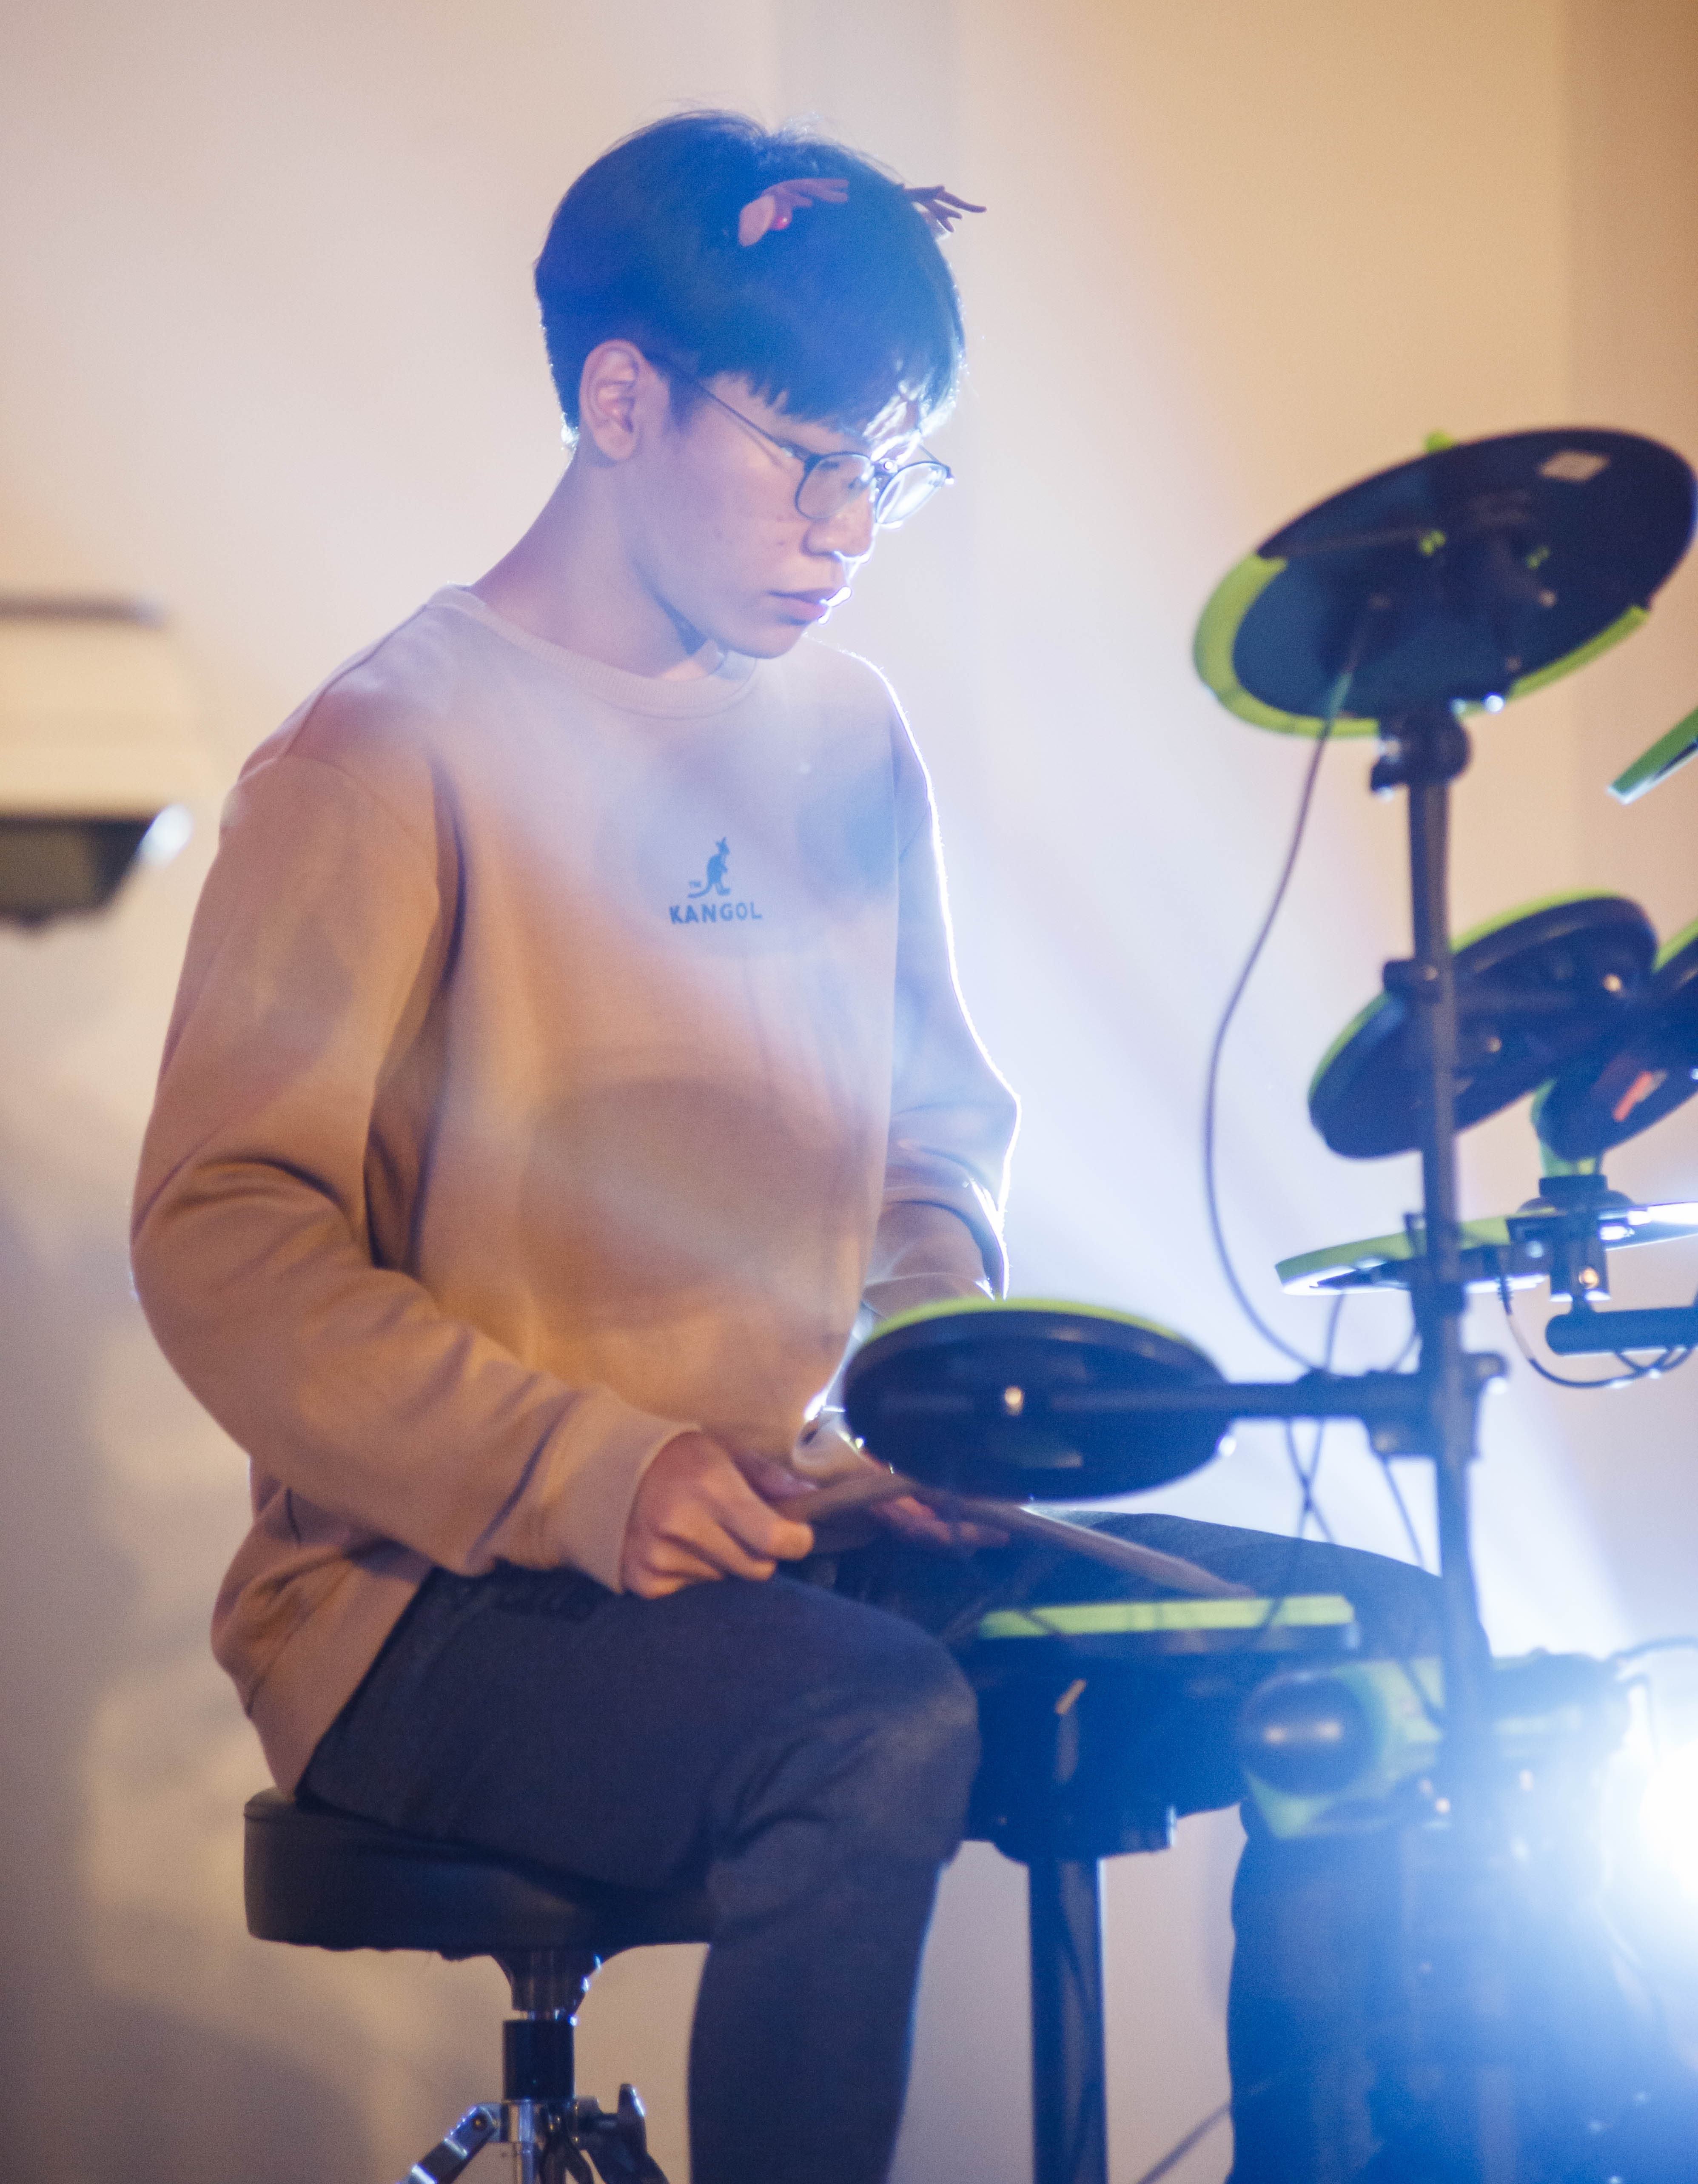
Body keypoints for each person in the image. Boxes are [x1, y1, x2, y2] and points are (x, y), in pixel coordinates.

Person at [134, 110, 1443, 2184]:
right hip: (427, 1599)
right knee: (870, 1730)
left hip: (791, 1524)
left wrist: (931, 1391)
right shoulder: (386, 751)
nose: (847, 529)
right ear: (618, 401)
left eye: (890, 470)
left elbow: (931, 1141)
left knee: (1386, 1652)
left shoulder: (845, 736)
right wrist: (593, 1468)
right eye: (806, 457)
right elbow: (224, 1236)